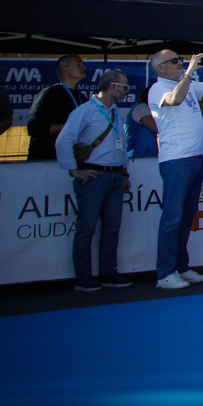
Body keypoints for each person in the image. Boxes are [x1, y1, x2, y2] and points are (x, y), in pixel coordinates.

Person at [138, 48, 203, 290]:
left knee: (187, 216)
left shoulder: (187, 84)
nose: (180, 63)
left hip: (194, 157)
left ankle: (180, 265)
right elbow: (174, 99)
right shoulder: (159, 88)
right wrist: (188, 73)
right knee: (173, 217)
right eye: (175, 61)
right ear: (160, 69)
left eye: (180, 60)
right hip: (176, 159)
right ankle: (165, 272)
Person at [54, 69, 132, 292]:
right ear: (113, 86)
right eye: (125, 87)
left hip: (115, 175)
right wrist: (73, 170)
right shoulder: (85, 111)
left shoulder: (116, 112)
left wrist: (124, 173)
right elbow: (64, 141)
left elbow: (122, 144)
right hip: (94, 175)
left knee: (112, 228)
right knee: (86, 228)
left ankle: (108, 272)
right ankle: (83, 277)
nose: (127, 91)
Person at [27, 54, 88, 161]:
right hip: (46, 158)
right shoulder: (50, 94)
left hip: (72, 158)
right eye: (79, 64)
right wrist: (68, 127)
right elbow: (34, 127)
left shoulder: (82, 97)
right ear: (65, 70)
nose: (84, 67)